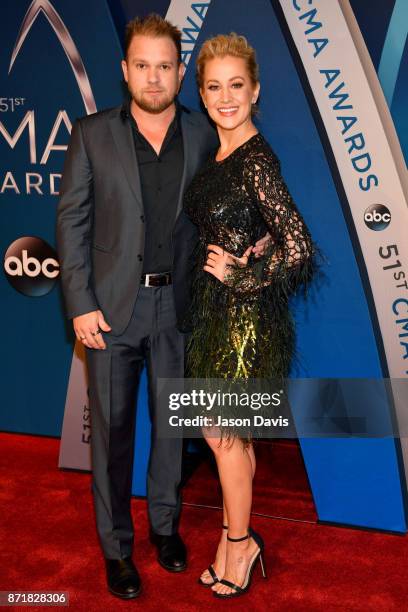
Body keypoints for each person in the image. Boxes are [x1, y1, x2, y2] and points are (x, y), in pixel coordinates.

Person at [56, 14, 267, 600]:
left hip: (182, 308)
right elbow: (71, 223)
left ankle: (166, 530)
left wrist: (258, 243)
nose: (154, 78)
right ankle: (117, 551)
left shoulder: (206, 136)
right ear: (125, 71)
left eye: (165, 66)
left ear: (182, 74)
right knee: (112, 437)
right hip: (109, 312)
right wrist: (79, 302)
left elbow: (237, 205)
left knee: (175, 431)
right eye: (142, 66)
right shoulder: (91, 133)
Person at [183, 33, 316, 599]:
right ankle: (233, 537)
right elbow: (252, 228)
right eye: (214, 87)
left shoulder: (257, 158)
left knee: (224, 434)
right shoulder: (221, 153)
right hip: (215, 315)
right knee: (221, 435)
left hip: (243, 319)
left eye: (236, 85)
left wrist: (243, 276)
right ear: (204, 94)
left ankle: (239, 545)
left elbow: (301, 247)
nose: (225, 96)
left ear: (255, 90)